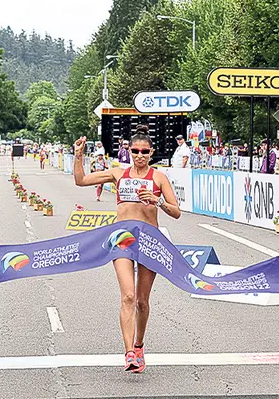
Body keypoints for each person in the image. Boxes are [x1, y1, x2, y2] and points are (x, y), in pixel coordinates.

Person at [72, 126, 181, 373]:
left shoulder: (158, 177)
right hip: (122, 239)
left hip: (149, 241)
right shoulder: (118, 174)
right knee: (128, 296)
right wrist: (79, 155)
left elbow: (176, 212)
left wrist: (158, 201)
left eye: (144, 151)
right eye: (135, 150)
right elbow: (81, 181)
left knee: (142, 301)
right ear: (128, 151)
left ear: (151, 152)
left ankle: (139, 346)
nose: (139, 155)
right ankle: (129, 352)